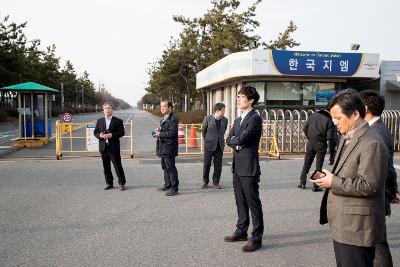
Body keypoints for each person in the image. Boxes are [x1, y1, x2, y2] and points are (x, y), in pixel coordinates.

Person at [311, 92, 388, 267]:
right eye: (333, 118)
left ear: (355, 114)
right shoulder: (348, 137)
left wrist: (333, 182)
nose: (334, 122)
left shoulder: (372, 142)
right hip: (344, 223)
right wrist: (328, 177)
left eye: (338, 117)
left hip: (357, 228)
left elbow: (370, 185)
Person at [359, 90, 400, 267]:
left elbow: (387, 168)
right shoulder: (377, 128)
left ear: (365, 107)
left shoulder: (377, 132)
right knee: (374, 240)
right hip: (379, 193)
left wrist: (391, 192)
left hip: (377, 195)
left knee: (377, 242)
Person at [224, 85, 264, 253]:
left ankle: (256, 238)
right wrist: (237, 143)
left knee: (253, 203)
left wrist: (238, 142)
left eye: (241, 97)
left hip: (249, 167)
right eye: (238, 97)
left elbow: (244, 138)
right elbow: (229, 139)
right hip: (237, 167)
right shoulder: (238, 120)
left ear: (251, 100)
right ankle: (241, 230)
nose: (238, 99)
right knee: (240, 201)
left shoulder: (255, 118)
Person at [298, 108, 335, 191]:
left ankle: (302, 183)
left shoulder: (312, 116)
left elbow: (304, 128)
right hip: (321, 143)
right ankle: (316, 185)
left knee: (307, 163)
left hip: (310, 142)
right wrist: (332, 156)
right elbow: (330, 138)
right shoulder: (328, 120)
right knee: (319, 165)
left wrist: (309, 137)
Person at [94, 102, 127, 191]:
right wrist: (100, 135)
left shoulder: (118, 121)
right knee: (106, 166)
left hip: (114, 147)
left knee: (117, 165)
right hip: (103, 147)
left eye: (109, 108)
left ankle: (122, 183)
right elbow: (95, 132)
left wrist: (111, 135)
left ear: (112, 109)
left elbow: (122, 132)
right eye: (105, 108)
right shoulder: (99, 121)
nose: (107, 110)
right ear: (103, 110)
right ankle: (109, 183)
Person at [154, 100, 179, 196]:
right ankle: (167, 184)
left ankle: (174, 188)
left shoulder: (173, 119)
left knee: (171, 167)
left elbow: (171, 133)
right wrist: (159, 129)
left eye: (164, 106)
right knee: (164, 167)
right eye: (161, 106)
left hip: (169, 147)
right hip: (163, 147)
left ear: (170, 108)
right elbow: (166, 129)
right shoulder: (163, 119)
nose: (162, 108)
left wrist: (160, 133)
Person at [201, 102, 228, 189]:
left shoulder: (225, 120)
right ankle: (205, 181)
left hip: (219, 145)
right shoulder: (207, 118)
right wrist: (208, 139)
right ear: (217, 110)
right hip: (209, 144)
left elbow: (223, 130)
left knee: (218, 165)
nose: (224, 112)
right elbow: (204, 131)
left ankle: (216, 182)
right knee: (207, 164)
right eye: (223, 110)